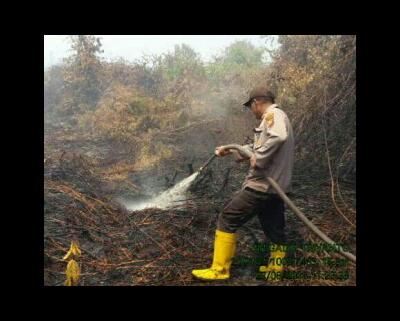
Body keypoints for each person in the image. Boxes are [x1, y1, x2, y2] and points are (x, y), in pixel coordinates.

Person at [192, 86, 295, 281]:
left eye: (251, 107)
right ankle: (275, 270)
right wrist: (230, 150)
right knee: (274, 228)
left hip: (262, 185)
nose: (252, 111)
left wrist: (260, 157)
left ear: (256, 103)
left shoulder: (273, 115)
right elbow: (256, 147)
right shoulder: (277, 117)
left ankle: (219, 270)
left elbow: (277, 138)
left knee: (228, 217)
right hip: (276, 188)